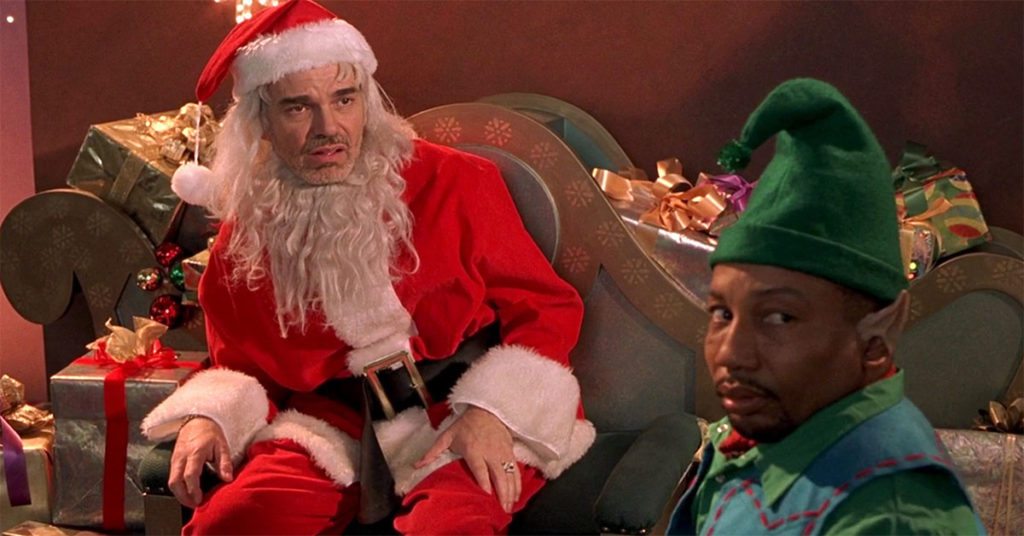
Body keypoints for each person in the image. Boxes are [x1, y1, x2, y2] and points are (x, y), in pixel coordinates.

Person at [140, 1, 594, 533]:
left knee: (448, 527)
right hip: (333, 422)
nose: (328, 128)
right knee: (235, 521)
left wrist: (495, 411)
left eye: (344, 99)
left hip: (462, 403)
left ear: (367, 102)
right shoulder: (245, 238)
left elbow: (546, 308)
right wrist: (209, 415)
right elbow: (240, 369)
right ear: (261, 122)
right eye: (297, 108)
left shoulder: (457, 182)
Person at [668, 79, 985, 535]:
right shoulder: (769, 429)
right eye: (722, 314)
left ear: (877, 336)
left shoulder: (887, 514)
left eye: (779, 317)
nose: (730, 354)